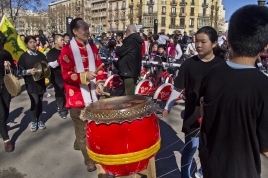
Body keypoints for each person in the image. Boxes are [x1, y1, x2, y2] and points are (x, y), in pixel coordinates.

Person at [198, 5, 268, 178]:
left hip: (211, 165)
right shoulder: (263, 85)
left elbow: (203, 113)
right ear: (265, 46)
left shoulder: (212, 72)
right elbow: (265, 146)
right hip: (244, 170)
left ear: (228, 39)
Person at [162, 26, 223, 178]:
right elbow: (177, 88)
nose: (199, 45)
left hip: (215, 113)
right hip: (193, 112)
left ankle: (203, 171)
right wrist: (168, 106)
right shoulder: (188, 64)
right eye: (197, 41)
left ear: (214, 43)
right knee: (191, 147)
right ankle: (185, 175)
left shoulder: (222, 65)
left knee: (211, 147)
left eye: (204, 42)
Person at [59, 18, 105, 172]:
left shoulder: (92, 47)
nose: (87, 31)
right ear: (74, 31)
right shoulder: (67, 50)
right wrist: (84, 76)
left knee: (92, 128)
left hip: (93, 96)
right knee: (82, 130)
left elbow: (100, 68)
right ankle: (89, 160)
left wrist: (100, 83)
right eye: (84, 28)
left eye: (87, 28)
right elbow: (66, 74)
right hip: (77, 97)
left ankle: (78, 143)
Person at [18, 36, 47, 132]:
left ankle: (40, 120)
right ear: (26, 44)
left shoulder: (41, 55)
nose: (33, 44)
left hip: (40, 83)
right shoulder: (23, 57)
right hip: (30, 83)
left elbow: (46, 67)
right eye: (30, 42)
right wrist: (28, 71)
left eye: (34, 42)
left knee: (40, 101)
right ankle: (33, 121)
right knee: (35, 101)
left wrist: (44, 71)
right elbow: (19, 71)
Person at [115, 24, 143, 95]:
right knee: (131, 90)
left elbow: (119, 52)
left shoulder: (130, 40)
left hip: (128, 70)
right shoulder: (138, 40)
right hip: (135, 69)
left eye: (126, 32)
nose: (125, 34)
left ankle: (131, 106)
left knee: (129, 94)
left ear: (129, 31)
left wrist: (118, 47)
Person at [0, 31, 16, 152]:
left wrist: (9, 67)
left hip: (6, 85)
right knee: (1, 113)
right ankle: (6, 139)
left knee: (5, 111)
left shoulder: (6, 53)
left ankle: (2, 129)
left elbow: (15, 70)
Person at [47, 34, 68, 119]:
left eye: (63, 40)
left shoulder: (66, 50)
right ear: (56, 41)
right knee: (60, 93)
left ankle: (66, 105)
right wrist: (59, 61)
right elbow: (50, 65)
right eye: (61, 40)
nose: (63, 42)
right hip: (56, 77)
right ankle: (61, 109)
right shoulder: (51, 52)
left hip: (66, 75)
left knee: (66, 92)